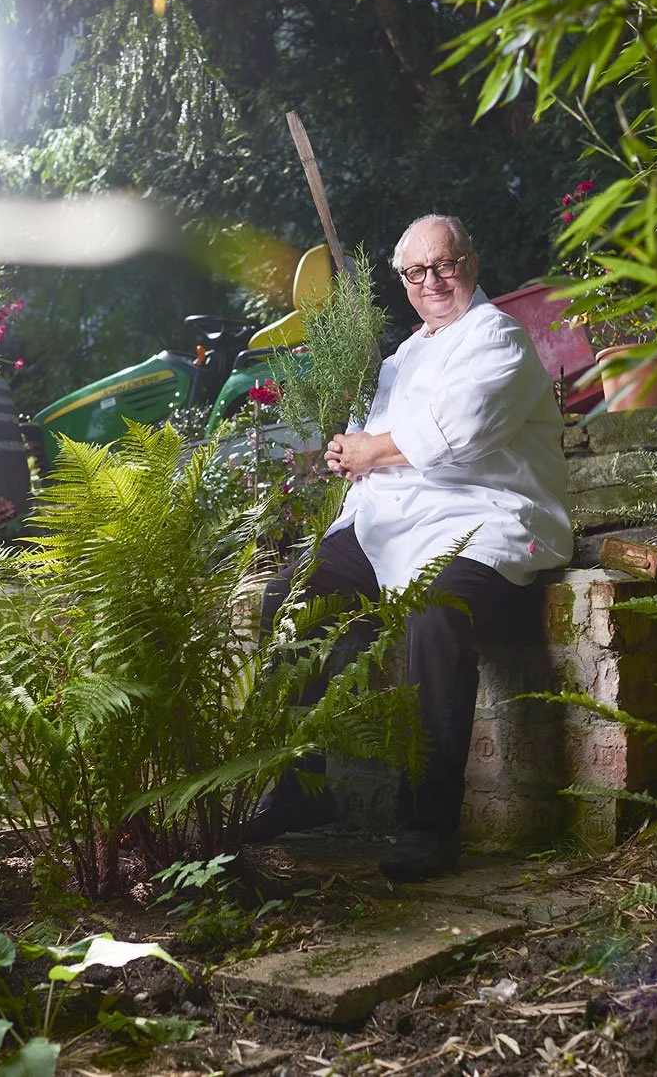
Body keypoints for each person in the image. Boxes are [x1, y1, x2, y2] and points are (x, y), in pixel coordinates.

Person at [249, 214, 573, 881]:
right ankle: (302, 786)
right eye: (417, 272)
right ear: (402, 280)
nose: (433, 281)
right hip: (390, 523)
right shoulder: (400, 360)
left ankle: (428, 822)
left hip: (485, 518)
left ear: (470, 264)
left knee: (433, 611)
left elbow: (464, 432)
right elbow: (371, 445)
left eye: (444, 265)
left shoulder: (498, 338)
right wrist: (348, 452)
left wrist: (371, 450)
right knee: (288, 598)